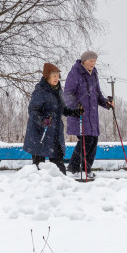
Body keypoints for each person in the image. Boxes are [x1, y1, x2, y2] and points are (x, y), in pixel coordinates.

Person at [23, 63, 82, 174]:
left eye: (58, 75)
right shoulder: (40, 91)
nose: (57, 78)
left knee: (59, 168)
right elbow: (33, 111)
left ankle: (62, 187)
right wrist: (42, 120)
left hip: (54, 134)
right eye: (54, 75)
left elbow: (62, 109)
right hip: (40, 134)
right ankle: (37, 189)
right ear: (47, 76)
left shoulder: (58, 90)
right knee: (39, 169)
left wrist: (75, 112)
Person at [64, 51, 113, 179]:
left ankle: (87, 168)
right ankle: (74, 168)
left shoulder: (94, 74)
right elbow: (68, 93)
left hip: (92, 115)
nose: (93, 63)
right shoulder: (75, 72)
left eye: (94, 61)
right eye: (91, 61)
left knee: (93, 140)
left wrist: (106, 103)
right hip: (80, 114)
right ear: (84, 60)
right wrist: (76, 106)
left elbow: (97, 94)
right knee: (86, 141)